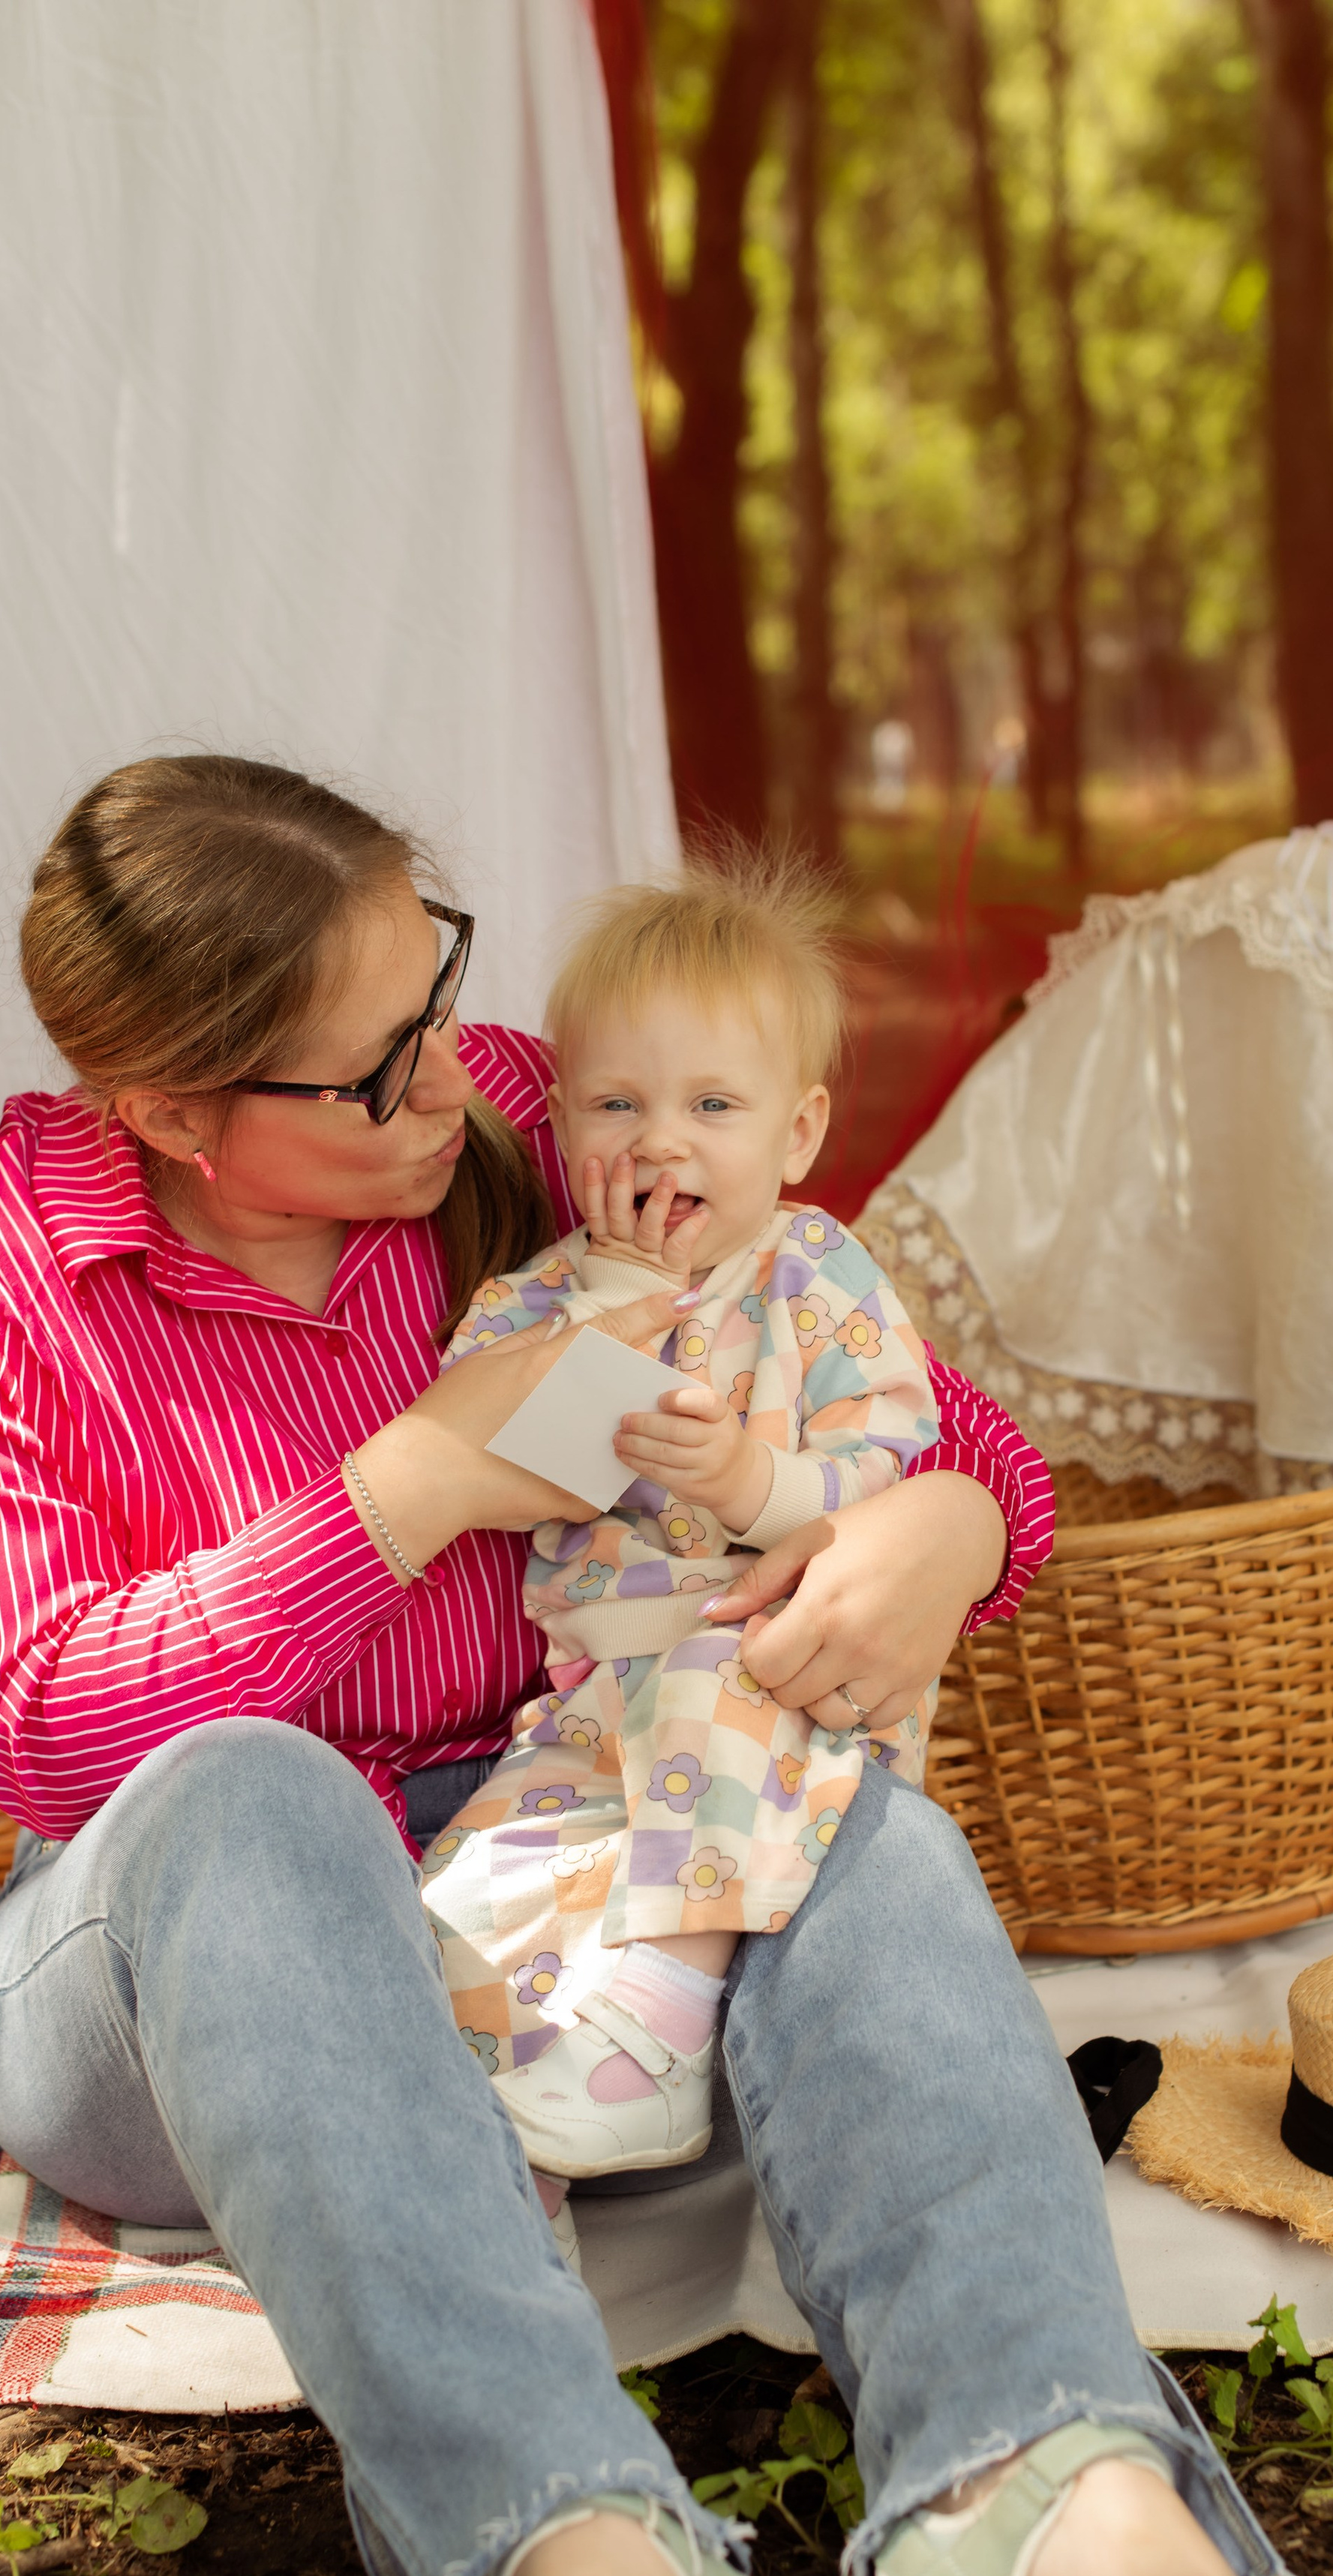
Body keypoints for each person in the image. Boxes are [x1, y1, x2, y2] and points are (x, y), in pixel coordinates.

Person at [0, 757, 1333, 2576]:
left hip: (564, 1865)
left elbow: (906, 1397)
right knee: (253, 1784)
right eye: (380, 1065)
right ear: (173, 1111)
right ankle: (575, 2547)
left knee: (832, 1804)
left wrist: (948, 1526)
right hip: (183, 1946)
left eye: (447, 989)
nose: (459, 1084)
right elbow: (41, 1730)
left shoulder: (518, 1114)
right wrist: (415, 1485)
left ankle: (1034, 2494)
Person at [422, 860, 941, 2181]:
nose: (661, 1141)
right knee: (476, 1879)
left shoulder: (821, 1278)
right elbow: (503, 1457)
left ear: (797, 1132)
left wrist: (747, 1485)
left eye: (712, 1104)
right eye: (618, 1104)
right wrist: (615, 1296)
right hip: (596, 1695)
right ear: (558, 1124)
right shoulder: (538, 1302)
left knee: (717, 1693)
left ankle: (659, 2023)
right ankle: (514, 2095)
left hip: (777, 1669)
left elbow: (884, 1468)